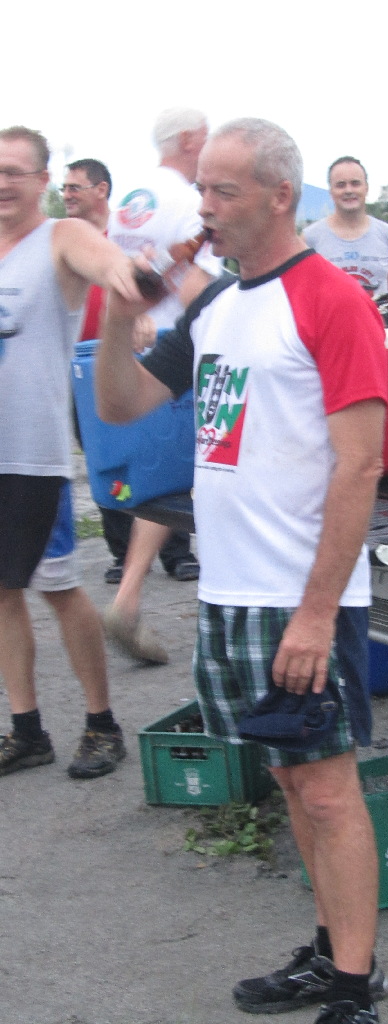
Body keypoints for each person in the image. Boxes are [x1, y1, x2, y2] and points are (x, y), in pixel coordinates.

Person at [97, 117, 388, 1024]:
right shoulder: (216, 305)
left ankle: (356, 985)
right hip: (229, 590)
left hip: (301, 596)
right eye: (203, 190)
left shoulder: (332, 299)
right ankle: (328, 951)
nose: (206, 208)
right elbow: (121, 404)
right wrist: (120, 311)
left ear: (278, 196)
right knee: (293, 779)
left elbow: (362, 467)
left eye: (224, 191)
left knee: (330, 789)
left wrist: (316, 613)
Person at [0, 125, 139, 778]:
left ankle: (101, 724)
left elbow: (106, 260)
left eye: (14, 171)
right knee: (1, 594)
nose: (2, 182)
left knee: (57, 588)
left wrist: (127, 286)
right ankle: (27, 730)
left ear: (41, 181)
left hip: (33, 458)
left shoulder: (61, 237)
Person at [103, 107, 221, 664]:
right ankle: (219, 607)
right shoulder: (185, 202)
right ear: (191, 139)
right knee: (211, 472)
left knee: (163, 479)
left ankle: (128, 597)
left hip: (137, 346)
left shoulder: (132, 199)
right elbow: (203, 282)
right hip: (184, 348)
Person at [63, 158, 198, 595]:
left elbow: (149, 284)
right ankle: (122, 555)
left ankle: (176, 552)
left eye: (75, 187)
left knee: (159, 450)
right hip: (83, 365)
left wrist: (135, 317)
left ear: (102, 190)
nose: (67, 195)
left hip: (136, 357)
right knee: (106, 459)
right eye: (64, 188)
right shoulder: (60, 242)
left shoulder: (121, 240)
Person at [302, 155, 388, 297]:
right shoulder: (310, 238)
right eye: (341, 185)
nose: (348, 190)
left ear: (366, 188)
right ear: (331, 192)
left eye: (355, 183)